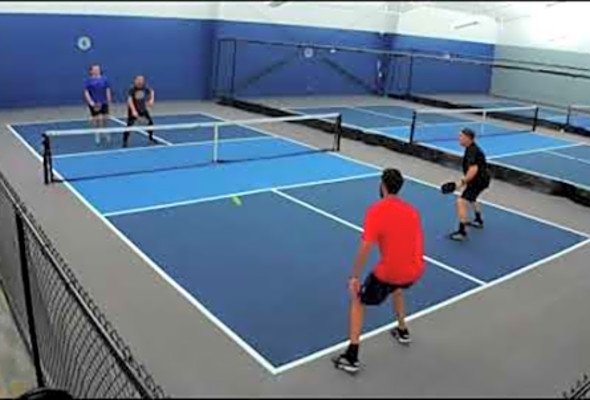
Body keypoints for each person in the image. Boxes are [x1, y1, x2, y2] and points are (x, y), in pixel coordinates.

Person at [333, 168, 425, 374]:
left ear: (382, 185)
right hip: (415, 269)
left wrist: (354, 276)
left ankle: (352, 356)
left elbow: (366, 247)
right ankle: (402, 330)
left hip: (391, 272)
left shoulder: (376, 210)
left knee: (358, 299)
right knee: (397, 288)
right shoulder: (412, 210)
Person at [449, 128, 491, 242]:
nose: (459, 138)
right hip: (481, 179)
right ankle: (478, 221)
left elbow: (473, 169)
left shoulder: (472, 150)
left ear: (468, 138)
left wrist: (461, 182)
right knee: (472, 198)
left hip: (479, 181)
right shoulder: (470, 148)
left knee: (461, 201)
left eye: (461, 136)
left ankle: (462, 232)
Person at [123, 75, 155, 148]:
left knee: (150, 124)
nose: (140, 81)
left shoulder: (145, 87)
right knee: (129, 126)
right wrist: (134, 111)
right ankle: (125, 141)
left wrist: (151, 99)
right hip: (133, 110)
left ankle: (150, 137)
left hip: (143, 109)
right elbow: (129, 100)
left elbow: (152, 91)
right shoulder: (132, 89)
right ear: (135, 81)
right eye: (139, 80)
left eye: (142, 80)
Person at [83, 64, 112, 145]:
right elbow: (86, 92)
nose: (97, 70)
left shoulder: (104, 79)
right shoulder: (89, 80)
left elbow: (107, 89)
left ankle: (105, 132)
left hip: (104, 102)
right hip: (94, 103)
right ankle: (97, 134)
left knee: (105, 119)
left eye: (98, 69)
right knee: (97, 120)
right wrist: (91, 102)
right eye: (95, 69)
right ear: (91, 71)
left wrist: (109, 99)